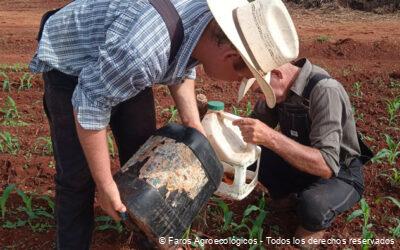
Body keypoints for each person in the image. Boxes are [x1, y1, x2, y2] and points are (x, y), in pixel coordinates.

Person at [30, 0, 299, 248]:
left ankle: (148, 238)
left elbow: (185, 62)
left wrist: (193, 122)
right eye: (241, 78)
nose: (234, 84)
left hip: (119, 59)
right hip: (73, 62)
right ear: (229, 56)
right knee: (78, 178)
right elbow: (89, 103)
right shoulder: (142, 52)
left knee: (144, 154)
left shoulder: (207, 29)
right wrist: (105, 184)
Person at [233, 57, 372, 246]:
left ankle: (312, 220)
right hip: (301, 164)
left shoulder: (324, 90)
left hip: (339, 173)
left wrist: (271, 137)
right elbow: (252, 131)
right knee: (251, 155)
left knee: (313, 205)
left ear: (277, 74)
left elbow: (326, 165)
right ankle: (287, 198)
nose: (261, 98)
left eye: (260, 91)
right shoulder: (278, 91)